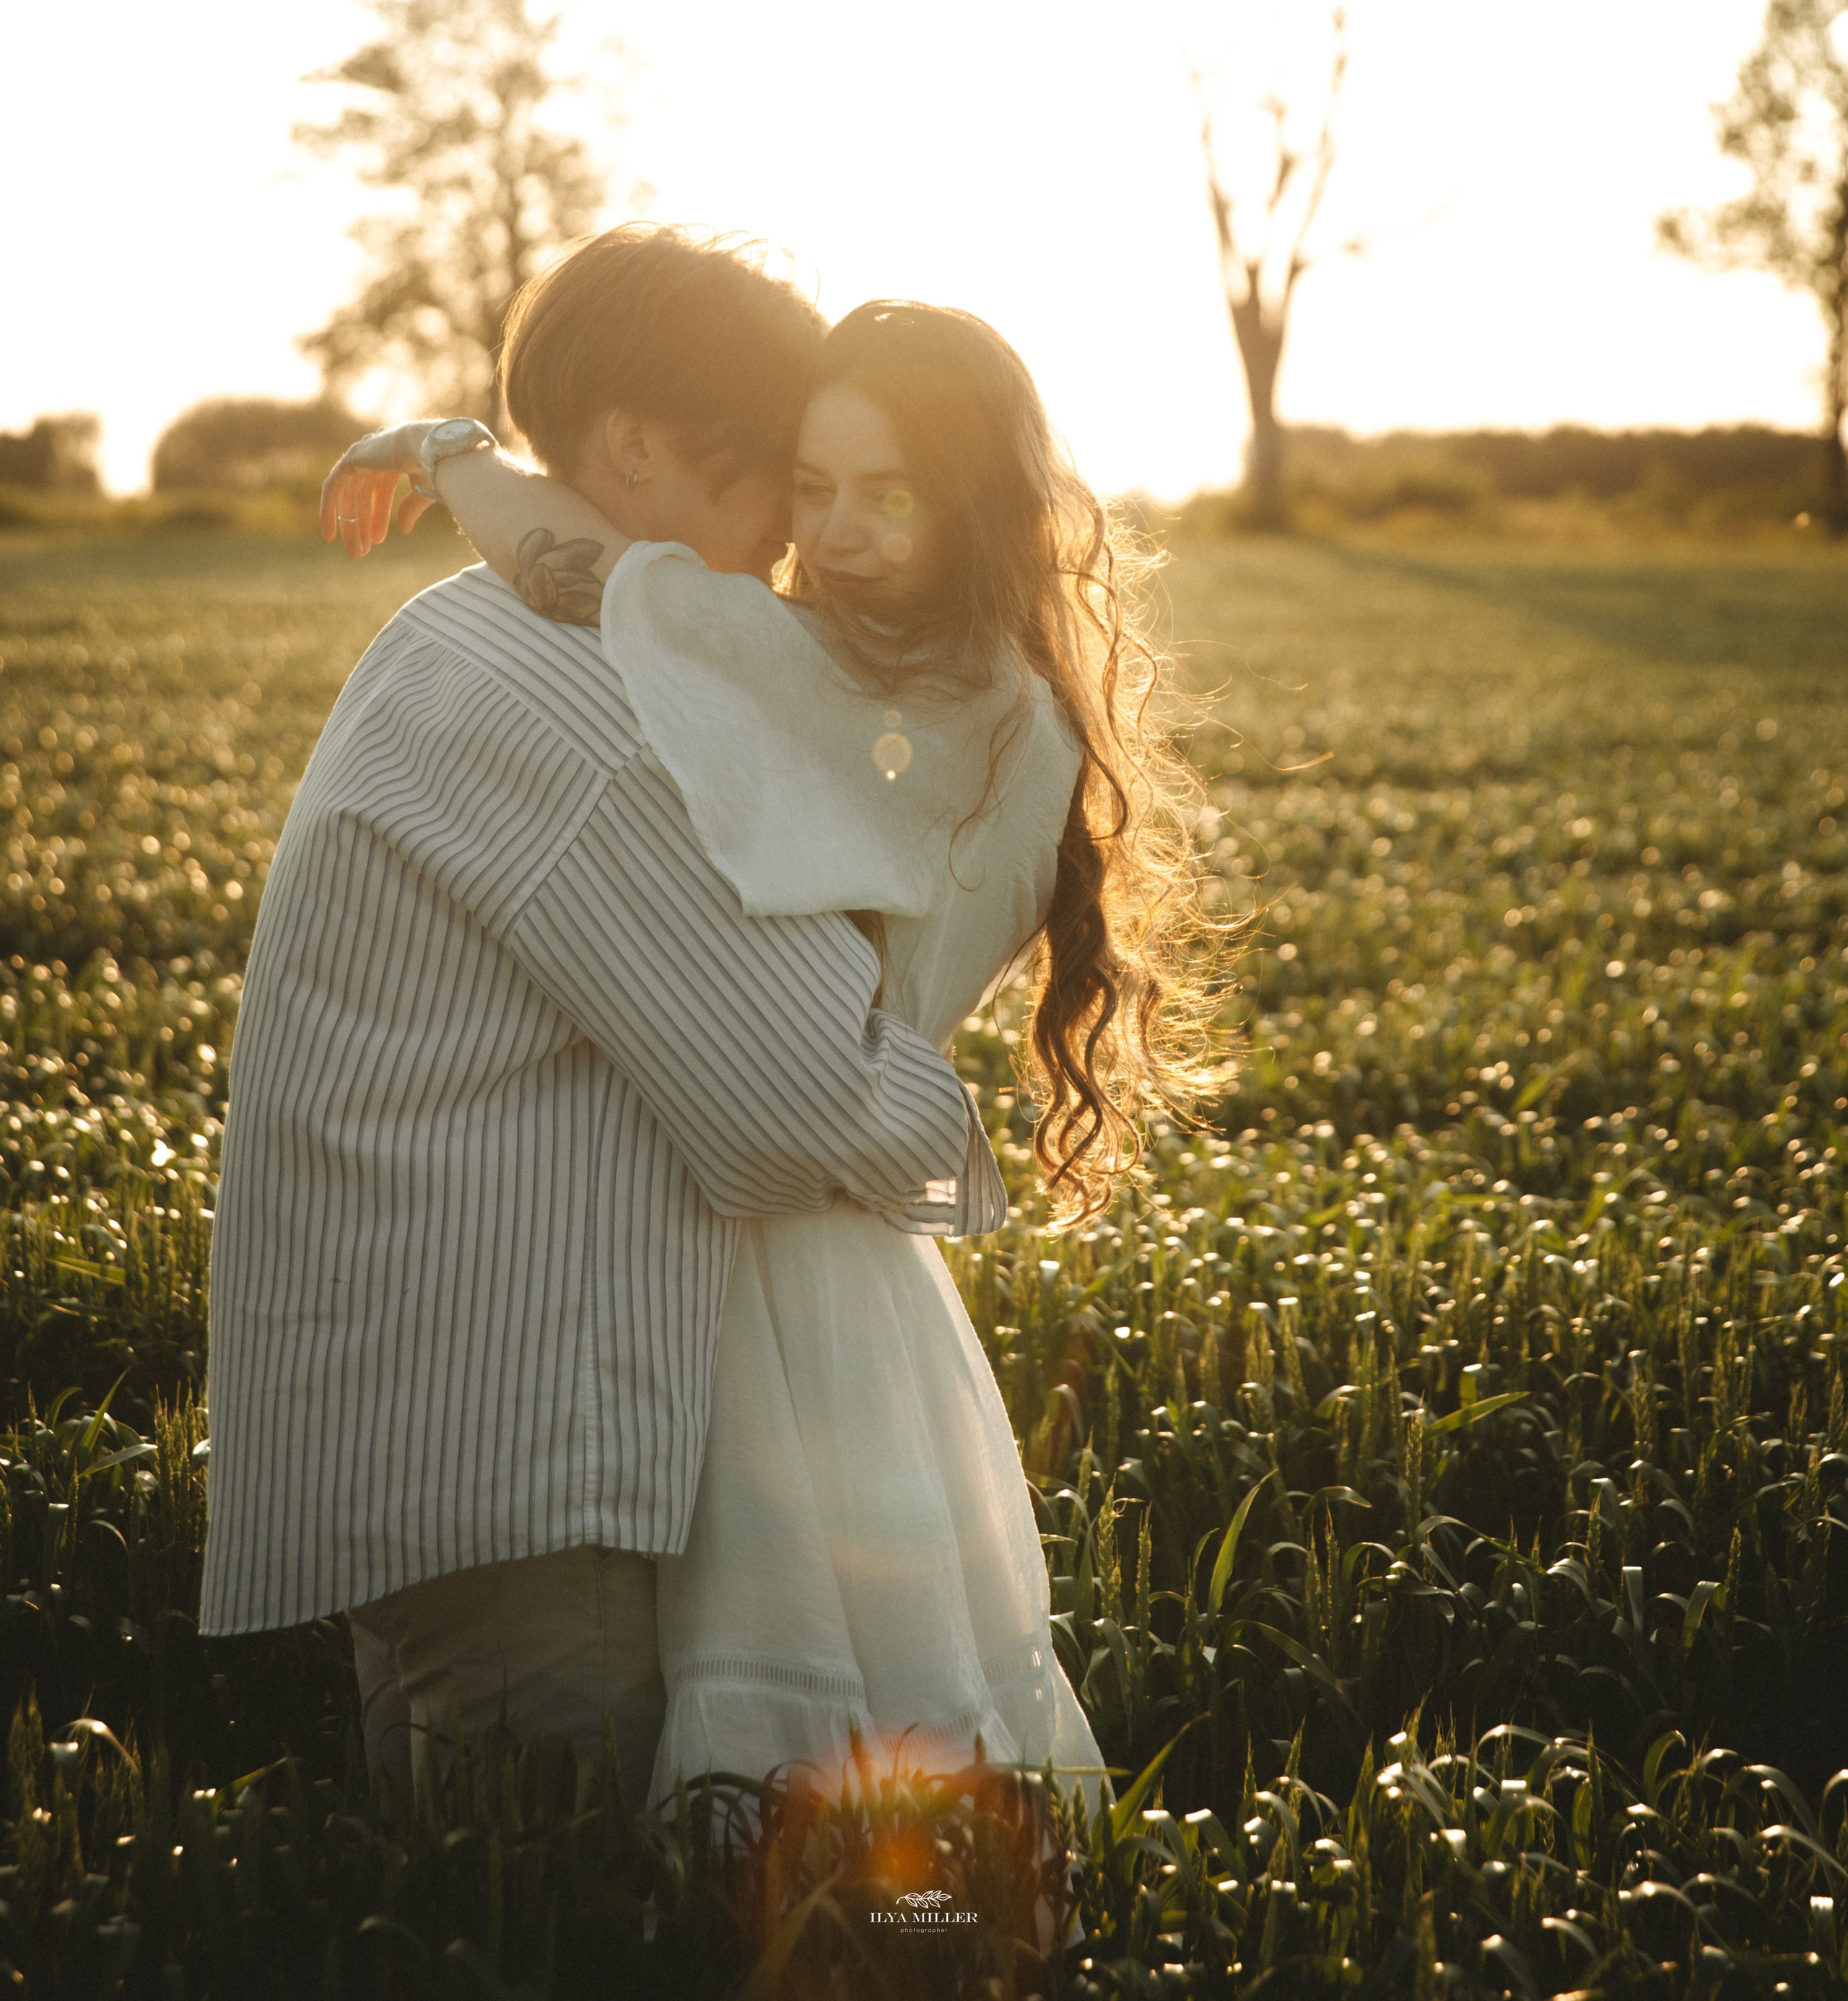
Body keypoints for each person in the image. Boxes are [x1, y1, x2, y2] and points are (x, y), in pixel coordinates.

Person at [321, 271, 1224, 1823]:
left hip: (811, 1202)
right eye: (813, 486)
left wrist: (453, 445)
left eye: (893, 494)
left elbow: (604, 582)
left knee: (826, 1636)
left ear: (980, 509)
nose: (844, 525)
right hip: (762, 1189)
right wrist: (456, 444)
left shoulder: (990, 715)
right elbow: (596, 571)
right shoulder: (804, 655)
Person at [197, 230, 1009, 1822]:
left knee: (474, 1909)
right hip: (520, 1468)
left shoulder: (467, 633)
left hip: (444, 1442)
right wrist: (949, 1108)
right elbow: (802, 1105)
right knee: (555, 1935)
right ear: (634, 454)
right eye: (771, 478)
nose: (793, 534)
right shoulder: (582, 702)